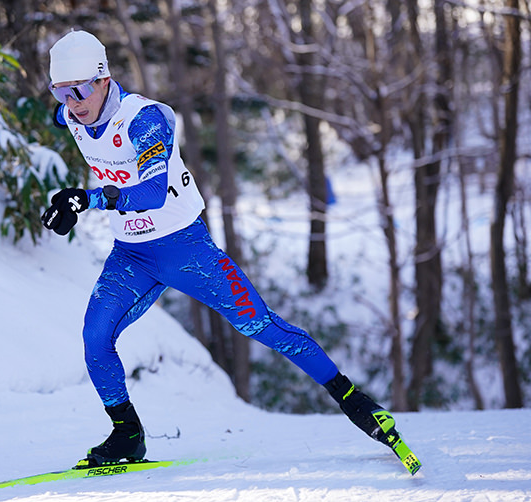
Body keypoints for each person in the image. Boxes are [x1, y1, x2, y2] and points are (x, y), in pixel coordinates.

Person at [41, 30, 406, 468]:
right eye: (60, 92)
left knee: (262, 327)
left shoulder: (146, 121)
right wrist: (66, 207)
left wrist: (90, 198)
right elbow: (81, 144)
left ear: (104, 79)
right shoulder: (71, 116)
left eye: (78, 89)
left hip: (186, 250)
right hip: (131, 255)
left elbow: (154, 192)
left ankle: (354, 400)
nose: (71, 103)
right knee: (95, 338)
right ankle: (127, 435)